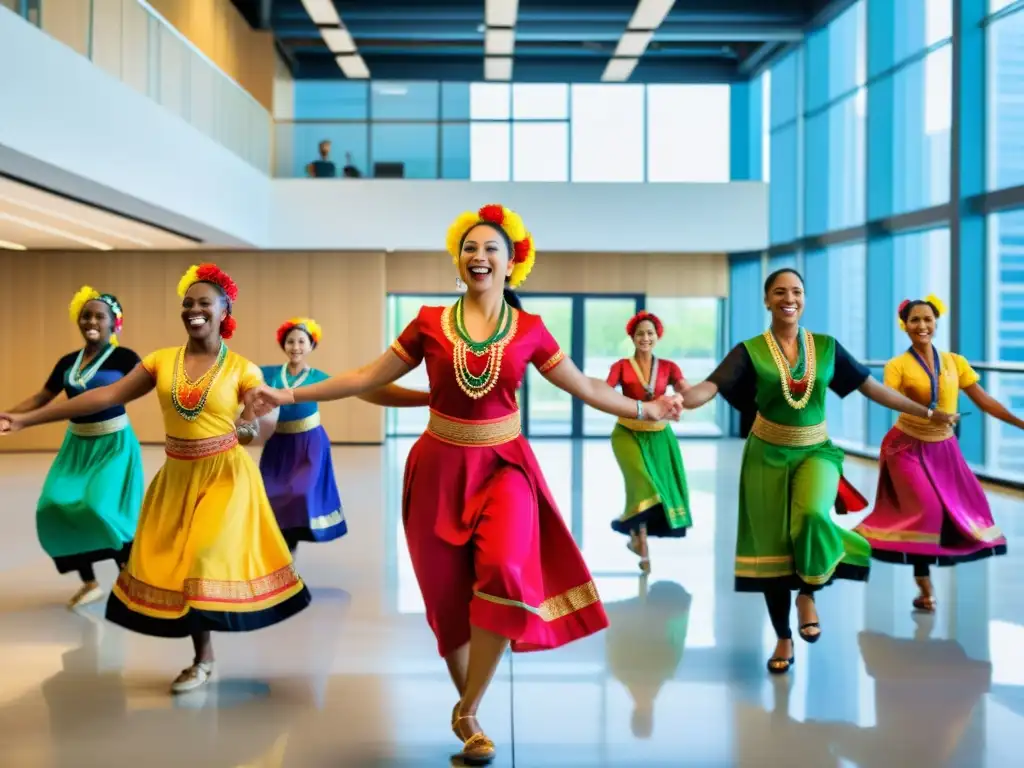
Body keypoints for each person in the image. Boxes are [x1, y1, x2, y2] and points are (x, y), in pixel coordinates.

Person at [245, 203, 684, 765]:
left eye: (490, 249)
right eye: (470, 248)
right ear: (459, 261)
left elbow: (588, 388)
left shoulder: (529, 330)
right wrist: (287, 395)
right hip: (437, 470)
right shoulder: (429, 322)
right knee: (448, 599)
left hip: (505, 468)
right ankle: (471, 717)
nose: (479, 256)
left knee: (504, 569)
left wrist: (648, 410)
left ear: (511, 263)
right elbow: (363, 378)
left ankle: (468, 705)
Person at [0, 263, 310, 694]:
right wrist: (26, 419)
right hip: (177, 476)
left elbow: (267, 422)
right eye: (188, 303)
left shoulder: (243, 368)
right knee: (183, 569)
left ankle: (204, 657)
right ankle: (203, 656)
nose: (194, 309)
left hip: (226, 476)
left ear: (225, 311)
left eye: (205, 303)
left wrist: (253, 423)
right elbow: (101, 397)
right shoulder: (161, 361)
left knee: (204, 556)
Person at [680, 268, 958, 675]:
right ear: (767, 300)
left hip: (817, 451)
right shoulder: (750, 350)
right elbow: (711, 386)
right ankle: (782, 635)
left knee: (811, 515)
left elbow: (872, 387)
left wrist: (928, 412)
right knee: (771, 551)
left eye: (795, 291)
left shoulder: (826, 347)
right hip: (765, 456)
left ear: (804, 298)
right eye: (779, 292)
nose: (788, 298)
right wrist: (680, 401)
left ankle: (808, 592)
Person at [854, 296, 1011, 611]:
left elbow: (984, 400)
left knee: (959, 510)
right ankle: (925, 586)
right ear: (905, 325)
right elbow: (889, 399)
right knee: (926, 508)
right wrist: (929, 413)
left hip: (944, 448)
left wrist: (1019, 422)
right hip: (906, 446)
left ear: (936, 323)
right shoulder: (897, 366)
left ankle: (924, 581)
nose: (922, 326)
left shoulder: (955, 362)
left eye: (928, 319)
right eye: (915, 320)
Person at [3, 286, 142, 609]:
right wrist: (10, 416)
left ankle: (130, 575)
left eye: (99, 316)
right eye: (86, 315)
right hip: (77, 444)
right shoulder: (68, 362)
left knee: (100, 508)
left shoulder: (126, 359)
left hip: (114, 444)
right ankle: (89, 581)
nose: (91, 320)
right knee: (53, 506)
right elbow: (42, 397)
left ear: (113, 323)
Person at [258, 317, 429, 552]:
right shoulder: (269, 373)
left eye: (301, 341)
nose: (295, 346)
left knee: (300, 491)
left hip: (309, 443)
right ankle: (280, 547)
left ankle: (291, 544)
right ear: (283, 345)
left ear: (311, 346)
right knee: (271, 493)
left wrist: (424, 398)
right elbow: (242, 378)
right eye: (290, 341)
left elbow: (361, 388)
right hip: (279, 443)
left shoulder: (319, 377)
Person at [606, 310, 691, 572]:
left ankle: (639, 540)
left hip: (659, 436)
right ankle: (636, 536)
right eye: (640, 333)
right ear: (632, 337)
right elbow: (605, 393)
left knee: (656, 488)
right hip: (627, 433)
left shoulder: (669, 367)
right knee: (642, 482)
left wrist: (680, 402)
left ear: (657, 337)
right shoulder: (620, 366)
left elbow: (687, 392)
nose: (645, 337)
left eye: (650, 333)